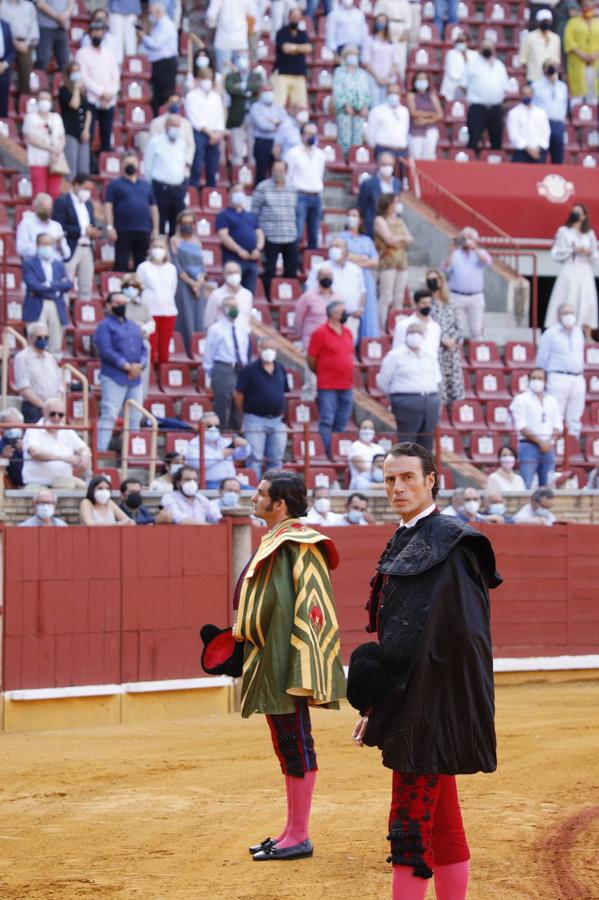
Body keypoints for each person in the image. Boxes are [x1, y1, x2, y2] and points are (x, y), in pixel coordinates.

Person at [349, 442, 501, 899]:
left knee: (410, 823)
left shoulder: (448, 542)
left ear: (432, 479)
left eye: (408, 477)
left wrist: (402, 705)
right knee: (441, 818)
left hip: (426, 703)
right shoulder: (409, 536)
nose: (397, 487)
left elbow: (454, 640)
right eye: (390, 478)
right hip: (415, 698)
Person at [232, 470, 345, 861]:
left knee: (296, 742)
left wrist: (305, 665)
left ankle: (299, 834)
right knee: (287, 743)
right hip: (270, 656)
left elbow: (314, 608)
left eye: (260, 493)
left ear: (279, 504)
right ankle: (289, 830)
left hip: (288, 660)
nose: (254, 497)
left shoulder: (300, 543)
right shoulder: (281, 540)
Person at [94, 291, 146, 451]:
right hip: (114, 376)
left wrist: (140, 365)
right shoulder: (104, 326)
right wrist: (126, 366)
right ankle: (101, 451)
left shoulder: (133, 326)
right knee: (110, 414)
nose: (121, 306)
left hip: (135, 377)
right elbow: (106, 350)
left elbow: (143, 349)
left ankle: (133, 451)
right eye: (117, 303)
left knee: (136, 416)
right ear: (109, 306)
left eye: (123, 303)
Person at [377, 321, 441, 451]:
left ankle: (423, 470)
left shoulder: (430, 355)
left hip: (430, 400)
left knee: (426, 442)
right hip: (406, 401)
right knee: (407, 441)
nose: (415, 335)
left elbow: (437, 378)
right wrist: (396, 396)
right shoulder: (395, 355)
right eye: (412, 332)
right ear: (406, 335)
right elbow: (383, 380)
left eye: (418, 332)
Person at [234, 337, 288, 478]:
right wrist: (246, 413)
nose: (269, 351)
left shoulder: (280, 369)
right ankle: (255, 492)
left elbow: (283, 393)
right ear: (259, 349)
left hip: (277, 420)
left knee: (276, 459)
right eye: (265, 348)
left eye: (272, 348)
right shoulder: (249, 370)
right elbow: (239, 394)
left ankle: (275, 491)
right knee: (254, 459)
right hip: (255, 419)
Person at [307, 301, 355, 456]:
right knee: (327, 419)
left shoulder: (347, 332)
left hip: (346, 383)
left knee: (342, 420)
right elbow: (311, 358)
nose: (345, 313)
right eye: (342, 311)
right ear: (333, 314)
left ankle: (337, 450)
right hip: (327, 384)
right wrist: (322, 371)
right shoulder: (320, 332)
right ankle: (327, 451)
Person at [544, 204, 598, 335]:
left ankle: (586, 331)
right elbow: (556, 252)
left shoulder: (589, 234)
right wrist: (573, 250)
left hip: (585, 270)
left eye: (579, 212)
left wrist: (588, 252)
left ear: (584, 216)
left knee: (587, 301)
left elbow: (595, 254)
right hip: (570, 269)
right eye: (574, 211)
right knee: (568, 297)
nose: (576, 214)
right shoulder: (564, 231)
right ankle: (562, 328)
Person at [536, 302, 586, 438]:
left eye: (571, 313)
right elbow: (542, 359)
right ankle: (555, 445)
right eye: (565, 313)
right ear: (558, 316)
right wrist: (542, 377)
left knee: (575, 415)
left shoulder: (578, 332)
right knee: (556, 413)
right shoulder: (550, 334)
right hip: (558, 377)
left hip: (577, 378)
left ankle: (572, 444)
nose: (569, 316)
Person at [251, 158, 299, 300]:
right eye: (275, 170)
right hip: (270, 236)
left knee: (291, 268)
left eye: (281, 170)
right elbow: (254, 211)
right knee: (269, 269)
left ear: (286, 171)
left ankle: (288, 297)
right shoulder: (262, 187)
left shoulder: (292, 188)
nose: (278, 173)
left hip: (290, 235)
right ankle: (269, 296)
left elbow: (295, 211)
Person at [509, 367, 563, 488]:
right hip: (528, 446)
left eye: (539, 378)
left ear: (545, 382)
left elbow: (558, 425)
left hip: (548, 448)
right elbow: (521, 426)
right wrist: (540, 442)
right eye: (533, 378)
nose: (536, 381)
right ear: (528, 380)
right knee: (526, 483)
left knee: (548, 486)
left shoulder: (552, 400)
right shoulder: (521, 399)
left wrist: (550, 442)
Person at [105, 153, 159, 272]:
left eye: (133, 162)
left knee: (143, 265)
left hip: (144, 230)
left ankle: (139, 289)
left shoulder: (146, 185)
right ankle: (119, 289)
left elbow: (153, 207)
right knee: (121, 263)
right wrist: (110, 227)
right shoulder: (114, 185)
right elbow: (108, 206)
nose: (131, 165)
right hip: (123, 230)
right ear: (121, 165)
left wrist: (155, 228)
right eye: (127, 163)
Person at [22, 397, 91, 490]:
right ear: (44, 412)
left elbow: (84, 448)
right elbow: (35, 453)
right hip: (38, 482)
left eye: (61, 415)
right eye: (52, 414)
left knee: (90, 492)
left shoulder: (68, 431)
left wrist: (85, 457)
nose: (56, 418)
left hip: (65, 482)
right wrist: (65, 458)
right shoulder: (33, 431)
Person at [22, 233, 73, 356]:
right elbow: (33, 285)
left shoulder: (58, 264)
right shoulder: (29, 263)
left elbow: (68, 284)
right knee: (36, 343)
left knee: (55, 344)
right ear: (37, 245)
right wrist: (57, 285)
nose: (47, 247)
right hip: (37, 304)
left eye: (50, 244)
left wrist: (48, 285)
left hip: (56, 304)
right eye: (44, 244)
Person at [204, 297, 250, 431]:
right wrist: (211, 375)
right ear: (223, 309)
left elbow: (244, 350)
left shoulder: (243, 327)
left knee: (238, 404)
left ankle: (235, 436)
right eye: (229, 306)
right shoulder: (216, 329)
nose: (233, 309)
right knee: (223, 404)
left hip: (239, 368)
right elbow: (209, 353)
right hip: (223, 367)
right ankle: (221, 433)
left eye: (235, 306)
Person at [308, 238, 366, 344]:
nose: (334, 249)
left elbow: (362, 291)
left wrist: (360, 308)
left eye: (337, 246)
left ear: (346, 251)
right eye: (332, 246)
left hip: (351, 317)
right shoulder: (321, 268)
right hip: (327, 319)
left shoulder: (356, 269)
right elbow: (310, 291)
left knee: (347, 349)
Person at [75, 19, 119, 154]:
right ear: (89, 34)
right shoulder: (82, 53)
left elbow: (115, 76)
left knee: (107, 136)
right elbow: (84, 78)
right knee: (89, 134)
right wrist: (101, 93)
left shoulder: (109, 54)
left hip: (108, 101)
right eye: (94, 31)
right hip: (91, 101)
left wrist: (110, 93)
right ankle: (88, 167)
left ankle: (104, 164)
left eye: (99, 32)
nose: (97, 35)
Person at [53, 173, 99, 301]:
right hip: (71, 246)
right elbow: (59, 226)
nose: (87, 192)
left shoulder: (88, 204)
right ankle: (63, 314)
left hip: (87, 248)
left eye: (90, 190)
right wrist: (83, 231)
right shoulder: (62, 202)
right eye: (85, 188)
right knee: (65, 283)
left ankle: (85, 311)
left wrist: (94, 232)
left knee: (86, 284)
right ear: (76, 184)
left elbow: (91, 224)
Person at [442, 226, 492, 341]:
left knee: (477, 329)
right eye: (464, 237)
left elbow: (487, 261)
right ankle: (458, 354)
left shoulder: (480, 252)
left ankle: (477, 352)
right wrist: (452, 250)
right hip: (457, 295)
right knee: (457, 329)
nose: (466, 240)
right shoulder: (455, 254)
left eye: (469, 237)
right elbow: (445, 267)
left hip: (476, 296)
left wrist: (474, 248)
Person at [143, 113, 188, 237]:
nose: (175, 128)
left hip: (178, 189)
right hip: (160, 189)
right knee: (159, 223)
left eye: (178, 126)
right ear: (166, 125)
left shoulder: (182, 144)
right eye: (173, 125)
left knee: (178, 224)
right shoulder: (155, 142)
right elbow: (147, 168)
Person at [338, 206, 380, 339]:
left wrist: (355, 259)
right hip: (349, 278)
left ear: (360, 220)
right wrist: (363, 259)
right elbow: (343, 256)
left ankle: (367, 343)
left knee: (368, 312)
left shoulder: (367, 240)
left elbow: (375, 261)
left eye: (355, 215)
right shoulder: (341, 237)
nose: (351, 218)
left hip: (367, 279)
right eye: (349, 215)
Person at [136, 236, 178, 367]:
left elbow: (173, 288)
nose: (158, 250)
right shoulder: (143, 267)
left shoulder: (171, 268)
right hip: (150, 313)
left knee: (164, 350)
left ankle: (162, 380)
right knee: (151, 349)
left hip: (168, 312)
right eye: (155, 247)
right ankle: (150, 380)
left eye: (161, 247)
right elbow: (138, 288)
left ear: (166, 250)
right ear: (150, 249)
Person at [374, 192, 412, 332]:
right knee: (386, 296)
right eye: (395, 202)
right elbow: (389, 239)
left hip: (401, 262)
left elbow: (410, 239)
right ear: (389, 204)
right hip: (387, 261)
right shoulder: (380, 220)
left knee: (399, 298)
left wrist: (399, 239)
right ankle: (380, 327)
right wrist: (401, 238)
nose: (398, 205)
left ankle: (397, 328)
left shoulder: (400, 221)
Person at [216, 184, 264, 295]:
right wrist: (239, 250)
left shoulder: (251, 215)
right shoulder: (224, 215)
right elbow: (223, 236)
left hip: (252, 261)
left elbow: (259, 233)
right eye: (236, 191)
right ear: (229, 195)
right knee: (232, 294)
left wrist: (258, 249)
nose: (239, 194)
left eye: (241, 191)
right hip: (233, 261)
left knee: (249, 295)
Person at [427, 267, 464, 407]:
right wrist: (442, 341)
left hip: (452, 352)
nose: (432, 282)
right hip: (437, 352)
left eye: (434, 279)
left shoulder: (451, 304)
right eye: (429, 280)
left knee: (454, 387)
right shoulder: (427, 304)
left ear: (441, 281)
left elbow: (459, 327)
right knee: (440, 388)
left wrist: (452, 340)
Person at [14, 321, 64, 423]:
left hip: (54, 411)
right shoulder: (22, 358)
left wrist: (55, 405)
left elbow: (60, 384)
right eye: (40, 337)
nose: (43, 340)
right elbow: (24, 389)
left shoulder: (50, 358)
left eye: (46, 337)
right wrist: (45, 406)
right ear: (30, 338)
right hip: (33, 409)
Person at [286, 121, 326, 250]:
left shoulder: (320, 154)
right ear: (302, 135)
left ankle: (312, 262)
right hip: (299, 195)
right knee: (297, 233)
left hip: (316, 196)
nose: (312, 136)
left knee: (314, 233)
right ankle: (294, 262)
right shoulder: (293, 153)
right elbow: (288, 177)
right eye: (309, 133)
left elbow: (320, 174)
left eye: (314, 133)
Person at [169, 210, 205, 354]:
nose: (187, 226)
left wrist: (199, 281)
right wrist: (191, 282)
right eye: (184, 223)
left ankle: (198, 350)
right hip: (183, 284)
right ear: (179, 224)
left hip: (198, 285)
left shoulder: (197, 241)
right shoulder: (174, 240)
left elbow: (202, 265)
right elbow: (176, 264)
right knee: (186, 318)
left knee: (198, 318)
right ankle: (185, 350)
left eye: (190, 223)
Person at [465, 39, 509, 153]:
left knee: (496, 141)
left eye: (489, 47)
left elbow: (505, 87)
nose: (487, 49)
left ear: (494, 49)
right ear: (480, 49)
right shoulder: (472, 64)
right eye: (485, 47)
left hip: (496, 108)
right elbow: (463, 85)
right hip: (477, 107)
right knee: (474, 140)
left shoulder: (500, 66)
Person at [185, 411, 249, 488]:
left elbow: (241, 456)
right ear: (200, 427)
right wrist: (221, 454)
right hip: (210, 483)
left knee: (256, 494)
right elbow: (196, 464)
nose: (213, 428)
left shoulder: (224, 441)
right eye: (209, 426)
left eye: (216, 426)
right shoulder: (194, 444)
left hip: (233, 482)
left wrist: (244, 446)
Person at [185, 68, 226, 189]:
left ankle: (210, 192)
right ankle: (193, 192)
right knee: (197, 166)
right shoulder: (191, 96)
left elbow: (220, 118)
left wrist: (218, 134)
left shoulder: (216, 97)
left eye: (209, 79)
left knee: (212, 168)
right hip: (199, 134)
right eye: (204, 78)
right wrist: (210, 134)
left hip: (215, 135)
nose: (206, 81)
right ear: (198, 80)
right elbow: (195, 119)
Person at [22, 90, 66, 200]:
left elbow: (62, 137)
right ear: (37, 101)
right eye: (42, 99)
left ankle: (52, 217)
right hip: (38, 160)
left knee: (55, 193)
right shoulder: (30, 117)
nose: (44, 102)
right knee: (39, 193)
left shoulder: (56, 117)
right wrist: (51, 148)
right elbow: (30, 138)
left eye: (47, 99)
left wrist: (58, 150)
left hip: (55, 161)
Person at [137, 2, 178, 116]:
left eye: (151, 12)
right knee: (158, 96)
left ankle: (170, 117)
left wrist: (143, 36)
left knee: (167, 95)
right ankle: (158, 119)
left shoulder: (166, 25)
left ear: (158, 11)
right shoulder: (159, 25)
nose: (150, 15)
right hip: (159, 64)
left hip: (166, 64)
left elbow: (155, 44)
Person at [332, 44, 371, 158]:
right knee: (345, 138)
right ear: (345, 56)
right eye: (350, 54)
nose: (353, 57)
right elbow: (338, 91)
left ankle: (355, 160)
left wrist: (365, 106)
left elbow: (367, 93)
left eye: (355, 55)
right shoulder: (339, 72)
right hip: (345, 111)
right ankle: (344, 160)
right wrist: (345, 105)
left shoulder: (362, 74)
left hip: (359, 112)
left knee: (358, 139)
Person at [225, 52, 263, 166]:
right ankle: (236, 176)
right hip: (237, 116)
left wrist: (241, 86)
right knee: (237, 149)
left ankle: (251, 175)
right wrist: (247, 89)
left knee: (253, 149)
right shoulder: (231, 76)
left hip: (253, 116)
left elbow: (258, 86)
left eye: (244, 58)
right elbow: (230, 88)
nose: (242, 61)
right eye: (240, 58)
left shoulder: (257, 75)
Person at [365, 85, 410, 176]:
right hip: (383, 149)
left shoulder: (404, 111)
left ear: (400, 95)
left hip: (401, 151)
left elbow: (406, 131)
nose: (394, 95)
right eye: (391, 93)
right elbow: (370, 133)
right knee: (383, 178)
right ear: (386, 94)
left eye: (396, 93)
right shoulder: (377, 110)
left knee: (399, 181)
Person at [295, 263, 341, 351]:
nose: (327, 277)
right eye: (324, 275)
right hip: (312, 341)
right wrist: (302, 336)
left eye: (329, 275)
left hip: (332, 343)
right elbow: (298, 320)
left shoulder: (338, 298)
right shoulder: (307, 297)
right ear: (318, 278)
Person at [358, 150, 402, 238]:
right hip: (373, 227)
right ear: (378, 164)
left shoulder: (397, 183)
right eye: (384, 164)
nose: (387, 167)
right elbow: (362, 206)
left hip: (391, 226)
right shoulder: (368, 184)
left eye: (390, 164)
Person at [58, 62, 92, 179]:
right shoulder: (64, 90)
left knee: (84, 169)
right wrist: (76, 88)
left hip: (82, 132)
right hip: (70, 131)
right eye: (73, 71)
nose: (76, 74)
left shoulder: (83, 92)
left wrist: (86, 130)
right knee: (70, 168)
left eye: (78, 70)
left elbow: (88, 111)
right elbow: (74, 104)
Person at [532, 58, 569, 165]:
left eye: (554, 66)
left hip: (558, 124)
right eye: (549, 66)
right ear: (544, 69)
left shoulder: (562, 87)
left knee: (558, 156)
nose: (552, 68)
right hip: (542, 124)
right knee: (540, 155)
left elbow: (564, 105)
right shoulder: (536, 86)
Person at [148, 93, 195, 175]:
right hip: (162, 167)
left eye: (177, 102)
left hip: (181, 167)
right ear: (166, 103)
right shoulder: (156, 122)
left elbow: (190, 145)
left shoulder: (186, 124)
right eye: (171, 102)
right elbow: (152, 145)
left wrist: (187, 161)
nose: (174, 104)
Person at [156, 464, 221, 523]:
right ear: (178, 483)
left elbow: (215, 516)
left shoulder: (202, 499)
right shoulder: (169, 498)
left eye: (194, 480)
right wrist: (207, 526)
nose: (192, 483)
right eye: (188, 480)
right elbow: (180, 519)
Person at [0, 0, 38, 101]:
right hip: (6, 43)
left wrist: (27, 43)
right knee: (4, 72)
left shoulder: (29, 6)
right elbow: (2, 27)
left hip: (25, 44)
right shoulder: (2, 4)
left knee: (26, 77)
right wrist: (14, 42)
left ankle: (24, 104)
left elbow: (34, 29)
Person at [274, 6, 311, 108]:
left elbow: (308, 48)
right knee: (278, 105)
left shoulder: (303, 33)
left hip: (299, 74)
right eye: (294, 16)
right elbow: (285, 48)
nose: (295, 19)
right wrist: (299, 48)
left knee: (301, 107)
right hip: (283, 74)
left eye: (298, 17)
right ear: (289, 17)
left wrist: (293, 47)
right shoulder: (281, 32)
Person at [16, 192, 70, 262]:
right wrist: (43, 244)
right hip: (34, 265)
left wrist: (60, 246)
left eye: (49, 210)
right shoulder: (26, 224)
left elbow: (67, 254)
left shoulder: (56, 226)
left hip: (55, 265)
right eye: (44, 210)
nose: (47, 213)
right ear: (36, 208)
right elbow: (21, 249)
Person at [362, 13, 402, 106]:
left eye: (383, 21)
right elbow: (366, 61)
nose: (381, 23)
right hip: (373, 78)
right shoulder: (369, 40)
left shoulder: (392, 42)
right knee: (374, 105)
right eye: (379, 21)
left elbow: (396, 62)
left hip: (389, 80)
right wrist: (378, 78)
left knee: (388, 106)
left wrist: (388, 78)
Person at [250, 83, 286, 185]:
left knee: (277, 173)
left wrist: (272, 122)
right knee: (261, 171)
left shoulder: (279, 107)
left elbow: (285, 122)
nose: (268, 93)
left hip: (277, 143)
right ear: (260, 93)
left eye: (270, 91)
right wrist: (276, 124)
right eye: (265, 91)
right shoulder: (255, 107)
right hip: (262, 143)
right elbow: (262, 125)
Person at [563, 0, 599, 102]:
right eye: (585, 5)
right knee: (577, 96)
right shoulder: (572, 22)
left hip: (595, 63)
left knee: (594, 95)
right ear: (581, 6)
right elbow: (568, 41)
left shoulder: (598, 22)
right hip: (578, 62)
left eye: (589, 5)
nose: (587, 7)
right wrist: (582, 54)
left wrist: (596, 54)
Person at [204, 261, 254, 331]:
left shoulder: (248, 295)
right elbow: (209, 321)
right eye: (230, 273)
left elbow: (248, 318)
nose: (233, 275)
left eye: (236, 272)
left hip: (243, 336)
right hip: (222, 336)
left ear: (240, 274)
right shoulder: (216, 295)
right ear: (224, 275)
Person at [506, 83, 551, 163]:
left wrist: (538, 149)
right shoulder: (513, 113)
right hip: (521, 152)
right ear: (521, 95)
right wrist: (528, 149)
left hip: (539, 152)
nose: (527, 96)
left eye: (529, 93)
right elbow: (513, 135)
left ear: (533, 95)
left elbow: (546, 132)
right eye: (524, 94)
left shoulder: (541, 112)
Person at [205, 0, 253, 73]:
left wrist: (213, 25)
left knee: (224, 77)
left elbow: (211, 15)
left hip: (223, 40)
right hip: (241, 40)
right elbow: (252, 13)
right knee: (240, 78)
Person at [392, 288, 441, 355]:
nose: (427, 306)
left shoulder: (435, 327)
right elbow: (396, 351)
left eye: (429, 303)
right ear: (416, 304)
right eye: (424, 303)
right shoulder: (404, 325)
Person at [406, 71, 443, 160]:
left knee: (429, 157)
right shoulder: (411, 95)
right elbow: (414, 112)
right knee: (415, 156)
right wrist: (430, 114)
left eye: (424, 79)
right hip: (415, 131)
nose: (422, 81)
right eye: (419, 79)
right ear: (414, 82)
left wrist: (425, 120)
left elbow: (440, 115)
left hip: (430, 131)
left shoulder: (432, 96)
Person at [521, 10, 562, 82]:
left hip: (552, 79)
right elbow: (523, 60)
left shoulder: (556, 38)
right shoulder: (529, 37)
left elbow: (557, 60)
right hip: (534, 78)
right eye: (543, 21)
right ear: (538, 22)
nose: (546, 23)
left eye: (547, 21)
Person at [35, 0, 71, 74]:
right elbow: (40, 4)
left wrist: (66, 14)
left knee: (65, 62)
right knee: (43, 61)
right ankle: (41, 85)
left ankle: (66, 85)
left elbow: (71, 2)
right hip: (45, 27)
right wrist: (57, 16)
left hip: (62, 28)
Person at [440, 30, 475, 101]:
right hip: (453, 89)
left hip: (469, 89)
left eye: (462, 41)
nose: (460, 43)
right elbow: (454, 74)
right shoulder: (451, 54)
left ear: (467, 42)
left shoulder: (474, 54)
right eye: (458, 41)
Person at [108, 0, 141, 66]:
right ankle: (116, 67)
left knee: (131, 43)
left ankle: (131, 69)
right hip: (116, 12)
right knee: (117, 43)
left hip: (132, 13)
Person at [0, 407, 25, 487]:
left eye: (14, 425)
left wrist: (23, 450)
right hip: (9, 486)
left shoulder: (30, 440)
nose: (11, 428)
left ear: (21, 425)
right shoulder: (1, 444)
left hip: (32, 483)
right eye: (7, 426)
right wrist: (3, 457)